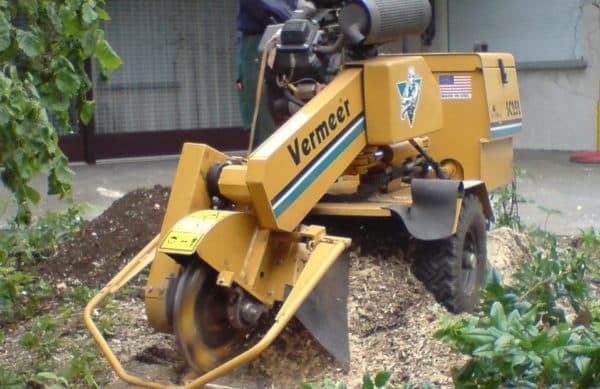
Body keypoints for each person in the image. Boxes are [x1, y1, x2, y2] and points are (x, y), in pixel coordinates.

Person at [236, 0, 297, 150]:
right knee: (263, 114)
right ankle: (267, 164)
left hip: (291, 35)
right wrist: (290, 17)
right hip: (261, 39)